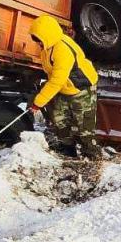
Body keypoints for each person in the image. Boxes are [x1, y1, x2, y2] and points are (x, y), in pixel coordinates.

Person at [27, 15, 100, 158]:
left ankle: (91, 154)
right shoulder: (48, 47)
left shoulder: (62, 49)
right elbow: (52, 74)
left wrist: (38, 102)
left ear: (48, 34)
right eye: (35, 39)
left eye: (38, 39)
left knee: (84, 125)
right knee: (59, 120)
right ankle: (68, 149)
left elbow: (57, 80)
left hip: (81, 88)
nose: (37, 43)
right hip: (63, 88)